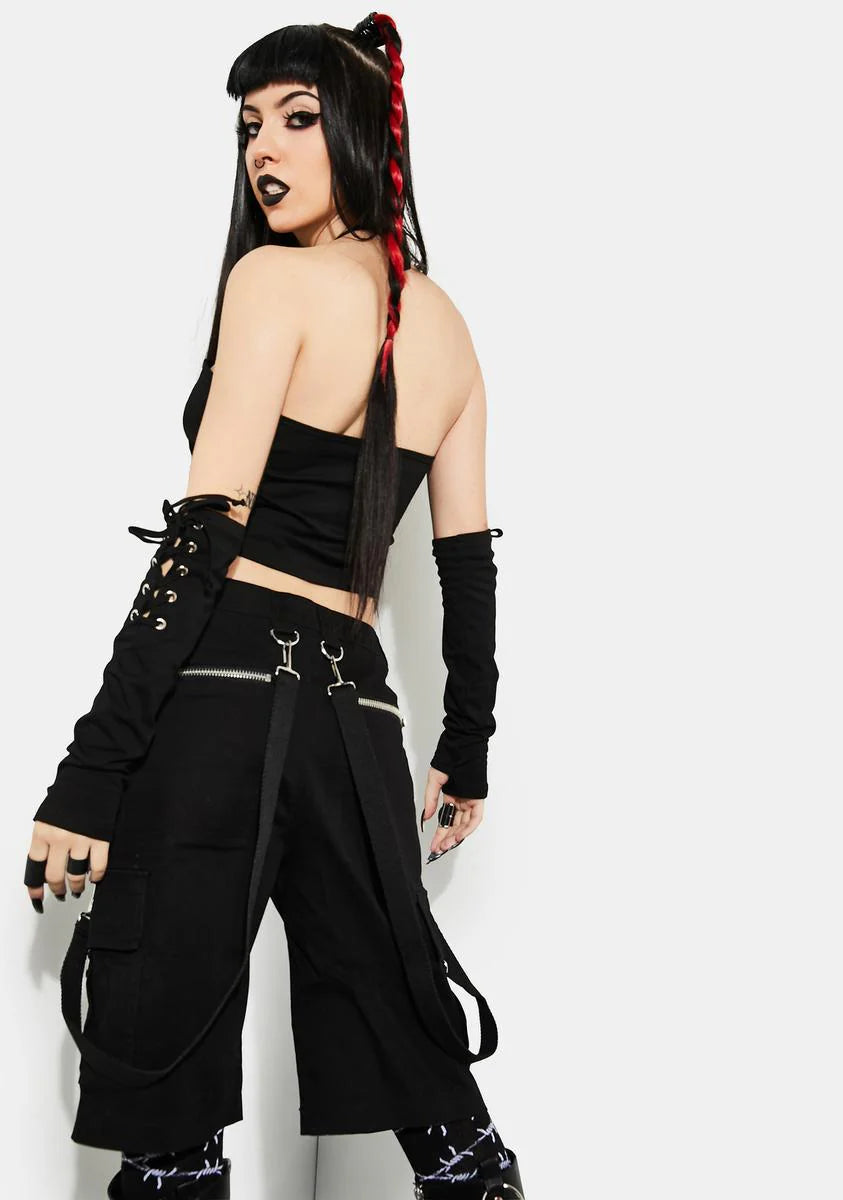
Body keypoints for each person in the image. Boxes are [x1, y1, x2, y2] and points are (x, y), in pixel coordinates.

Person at [24, 14, 525, 1199]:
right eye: (250, 126)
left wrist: (94, 766)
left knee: (170, 1070)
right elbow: (467, 567)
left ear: (361, 132)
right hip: (358, 712)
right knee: (411, 1047)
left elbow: (204, 539)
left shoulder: (270, 282)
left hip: (222, 693)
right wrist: (465, 747)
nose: (265, 149)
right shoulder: (449, 326)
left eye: (298, 119)